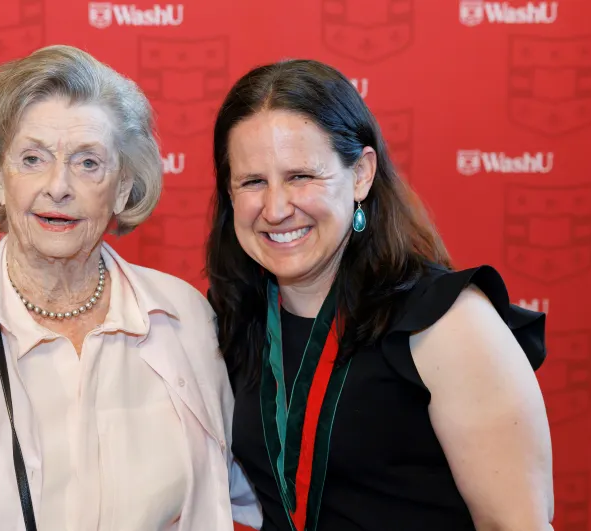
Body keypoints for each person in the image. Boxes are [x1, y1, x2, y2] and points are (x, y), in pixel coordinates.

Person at [0, 45, 261, 531]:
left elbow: (240, 497)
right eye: (33, 159)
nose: (58, 186)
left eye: (87, 163)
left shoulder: (185, 319)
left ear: (122, 188)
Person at [206, 58, 554, 531]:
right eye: (252, 182)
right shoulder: (231, 318)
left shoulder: (449, 323)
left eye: (301, 176)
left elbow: (516, 524)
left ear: (361, 174)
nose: (276, 207)